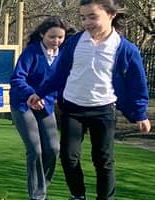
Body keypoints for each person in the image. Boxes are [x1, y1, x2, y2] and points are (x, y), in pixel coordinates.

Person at [28, 1, 151, 199]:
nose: (86, 22)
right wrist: (40, 93)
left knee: (103, 160)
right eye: (83, 17)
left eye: (92, 16)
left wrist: (140, 114)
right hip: (72, 108)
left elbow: (137, 83)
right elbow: (59, 74)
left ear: (110, 14)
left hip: (103, 109)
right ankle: (78, 196)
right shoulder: (74, 43)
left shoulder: (125, 49)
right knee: (69, 158)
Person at [9, 16, 68, 200]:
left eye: (60, 37)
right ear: (42, 34)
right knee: (35, 149)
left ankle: (42, 187)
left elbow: (61, 81)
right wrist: (30, 95)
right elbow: (17, 78)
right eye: (52, 37)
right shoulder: (31, 52)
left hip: (46, 105)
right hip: (23, 104)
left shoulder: (63, 56)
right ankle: (37, 195)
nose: (56, 41)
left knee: (53, 148)